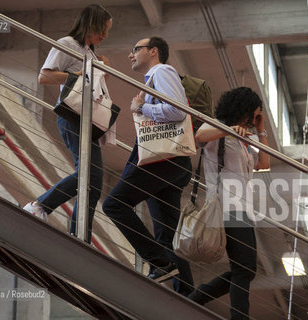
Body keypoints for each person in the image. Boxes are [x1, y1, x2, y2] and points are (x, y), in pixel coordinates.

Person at [102, 36, 194, 295]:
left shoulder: (162, 71)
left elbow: (177, 112)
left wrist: (142, 108)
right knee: (167, 235)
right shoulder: (152, 79)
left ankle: (159, 263)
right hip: (171, 162)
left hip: (163, 160)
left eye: (135, 49)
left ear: (153, 51)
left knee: (113, 204)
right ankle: (188, 298)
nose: (130, 55)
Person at [23, 4, 113, 244]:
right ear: (90, 24)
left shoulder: (90, 53)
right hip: (73, 117)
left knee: (93, 182)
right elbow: (45, 76)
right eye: (102, 29)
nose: (104, 36)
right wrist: (83, 74)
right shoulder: (67, 44)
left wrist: (98, 69)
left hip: (88, 121)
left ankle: (80, 236)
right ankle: (40, 206)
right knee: (89, 175)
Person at [187, 87, 270, 320]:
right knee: (245, 268)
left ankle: (197, 297)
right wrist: (227, 129)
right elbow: (198, 137)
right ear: (241, 108)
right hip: (226, 205)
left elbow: (263, 162)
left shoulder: (244, 139)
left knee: (245, 269)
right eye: (253, 114)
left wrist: (261, 130)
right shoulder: (216, 126)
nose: (253, 119)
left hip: (243, 208)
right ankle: (235, 315)